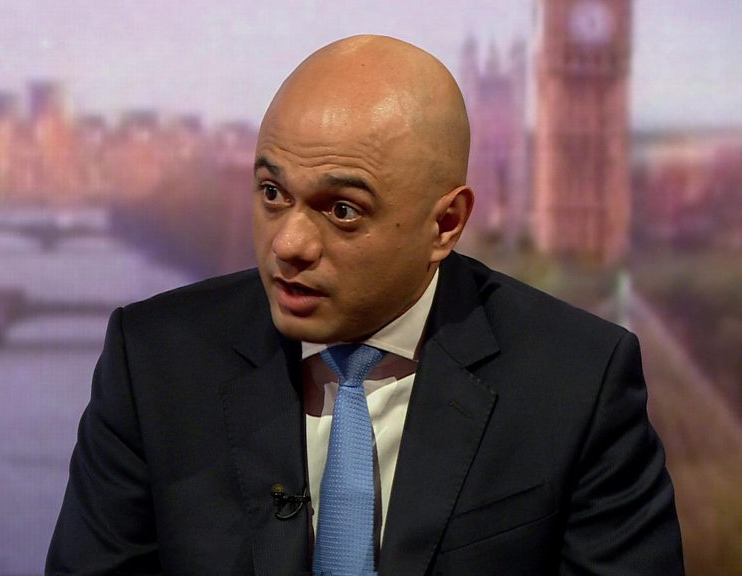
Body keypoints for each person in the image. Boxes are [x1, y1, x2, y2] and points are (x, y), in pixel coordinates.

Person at [46, 35, 683, 575]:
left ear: (445, 224)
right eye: (272, 194)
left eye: (343, 210)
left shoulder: (578, 383)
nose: (288, 245)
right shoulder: (153, 361)